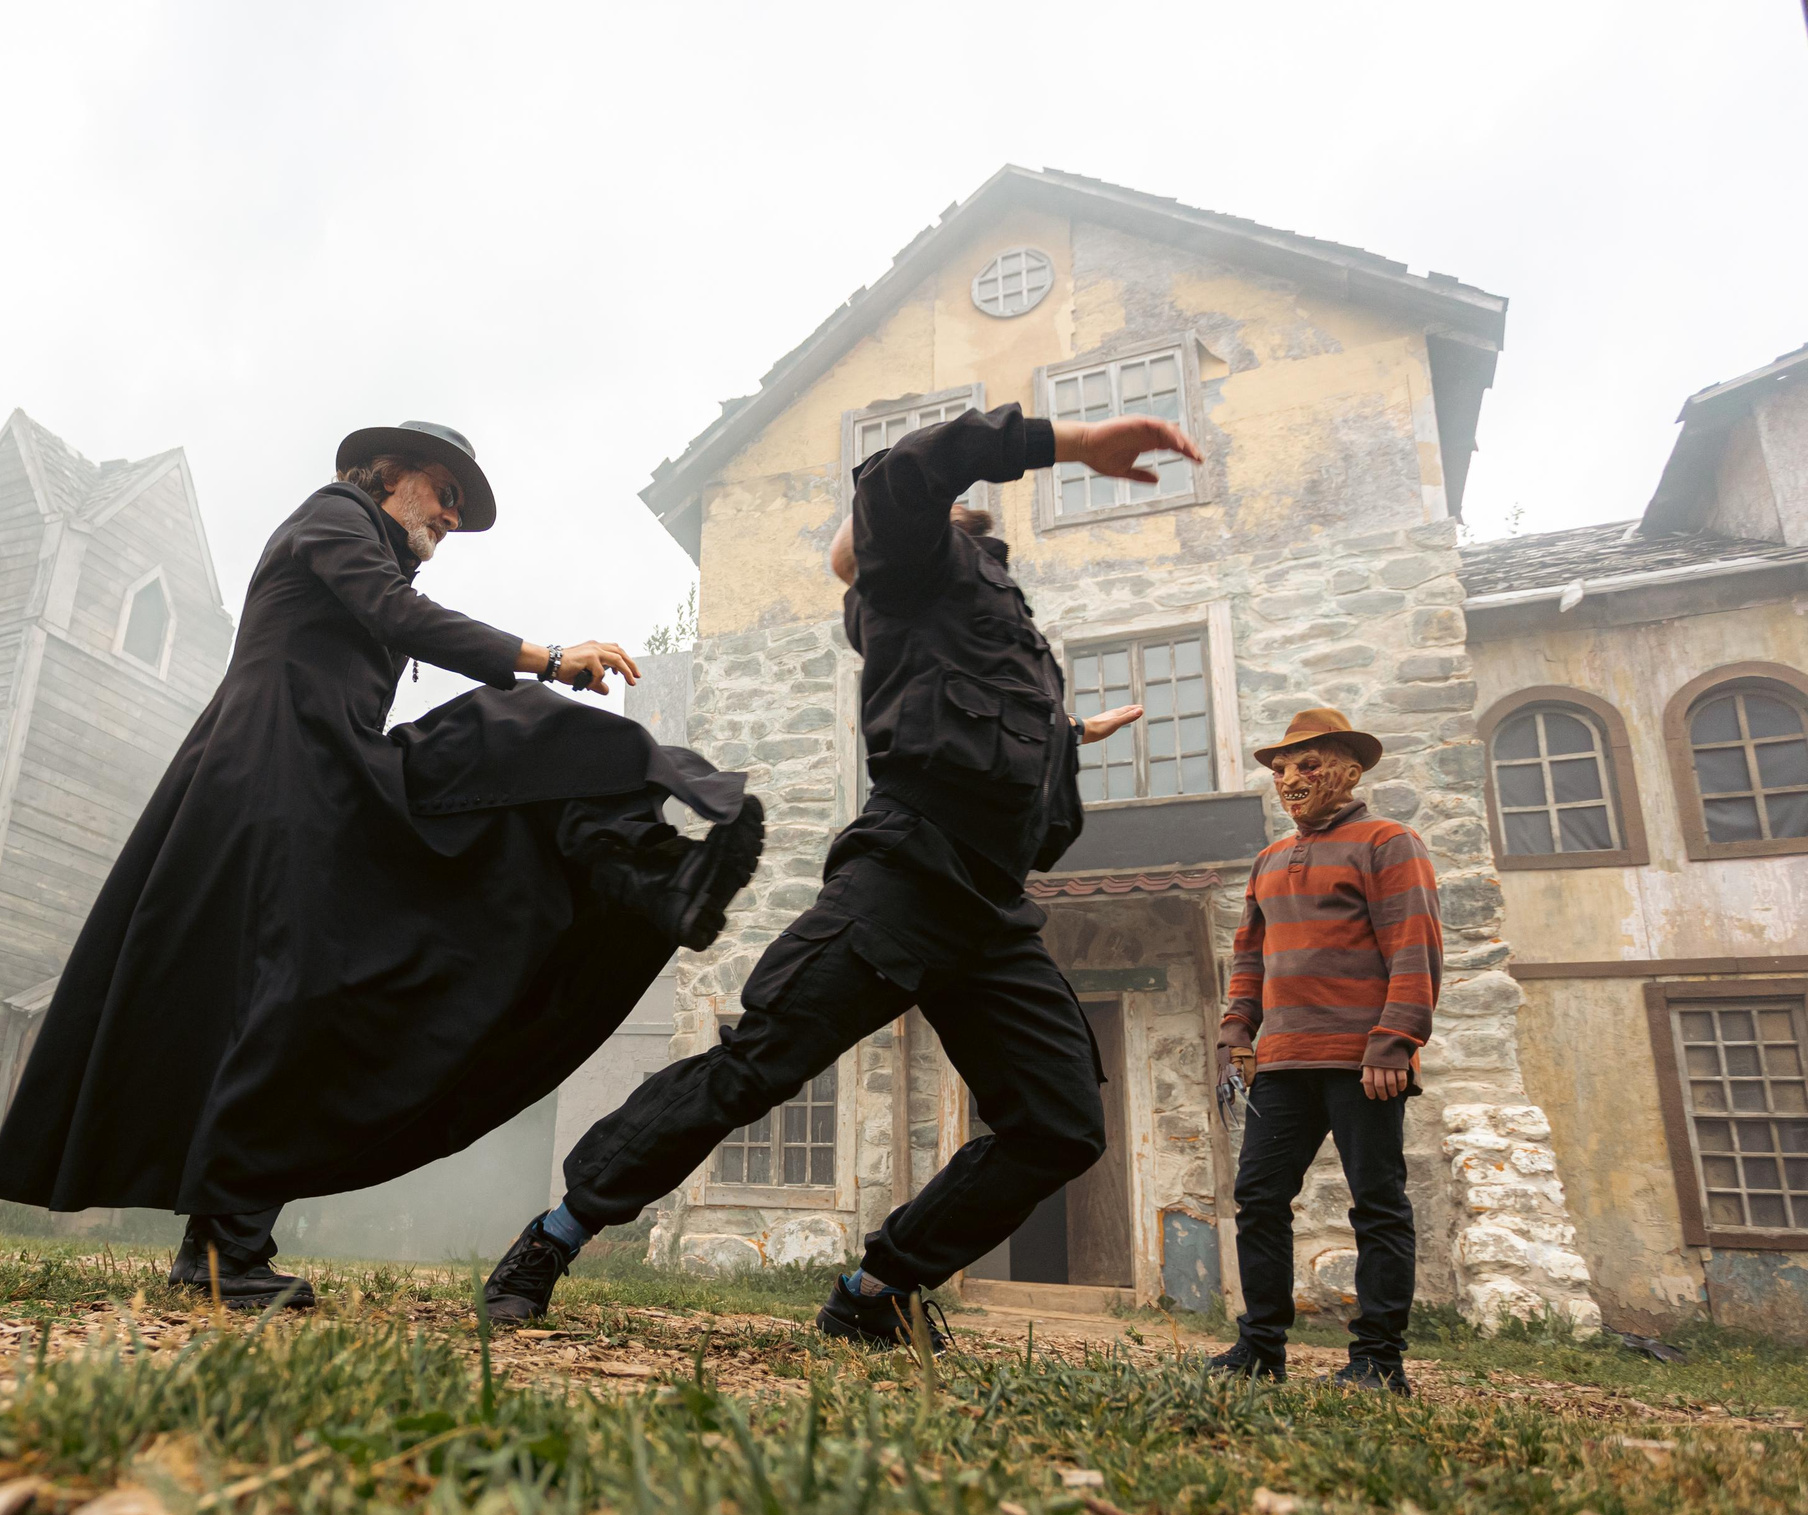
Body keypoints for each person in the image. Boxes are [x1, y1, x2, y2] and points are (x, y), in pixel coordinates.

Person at [0, 421, 765, 1308]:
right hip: (273, 771)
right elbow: (397, 616)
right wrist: (544, 657)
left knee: (305, 974)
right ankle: (225, 1253)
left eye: (459, 507)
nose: (450, 516)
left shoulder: (375, 544)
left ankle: (631, 860)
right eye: (444, 492)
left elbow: (395, 620)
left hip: (335, 768)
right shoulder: (334, 516)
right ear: (389, 474)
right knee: (290, 992)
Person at [480, 403, 1197, 1346]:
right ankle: (554, 1235)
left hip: (988, 912)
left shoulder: (991, 610)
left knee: (1060, 1122)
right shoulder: (911, 568)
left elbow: (992, 732)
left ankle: (875, 1290)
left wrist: (1069, 737)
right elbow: (902, 473)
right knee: (758, 1064)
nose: (846, 546)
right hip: (901, 882)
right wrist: (1067, 443)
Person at [1209, 708, 1442, 1395]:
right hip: (1281, 1060)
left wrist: (1394, 1040)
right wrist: (1235, 1035)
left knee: (1376, 1201)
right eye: (1281, 770)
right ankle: (1260, 1347)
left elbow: (1414, 945)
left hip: (1364, 1061)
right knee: (1258, 1195)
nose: (1291, 780)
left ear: (1346, 768)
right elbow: (1248, 956)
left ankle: (1378, 1359)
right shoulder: (1269, 860)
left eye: (1307, 765)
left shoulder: (1389, 841)